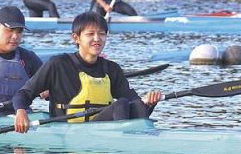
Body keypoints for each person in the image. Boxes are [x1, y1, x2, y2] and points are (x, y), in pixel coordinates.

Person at [11, 11, 162, 133]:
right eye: (90, 34)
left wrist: (148, 103)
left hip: (102, 129)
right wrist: (21, 111)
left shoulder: (112, 69)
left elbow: (135, 105)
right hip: (66, 131)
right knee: (121, 104)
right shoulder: (58, 64)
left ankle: (143, 139)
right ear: (76, 38)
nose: (97, 39)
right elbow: (23, 94)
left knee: (130, 103)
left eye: (102, 34)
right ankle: (126, 144)